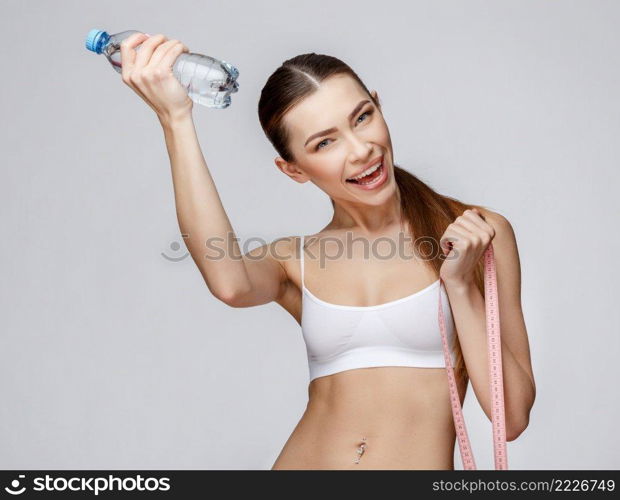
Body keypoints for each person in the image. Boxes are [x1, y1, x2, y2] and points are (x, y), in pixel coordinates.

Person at [119, 33, 536, 470]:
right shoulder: (294, 261)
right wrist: (176, 120)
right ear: (293, 169)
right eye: (324, 143)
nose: (361, 150)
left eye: (362, 117)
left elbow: (510, 418)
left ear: (378, 105)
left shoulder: (475, 233)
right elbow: (229, 284)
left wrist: (459, 286)